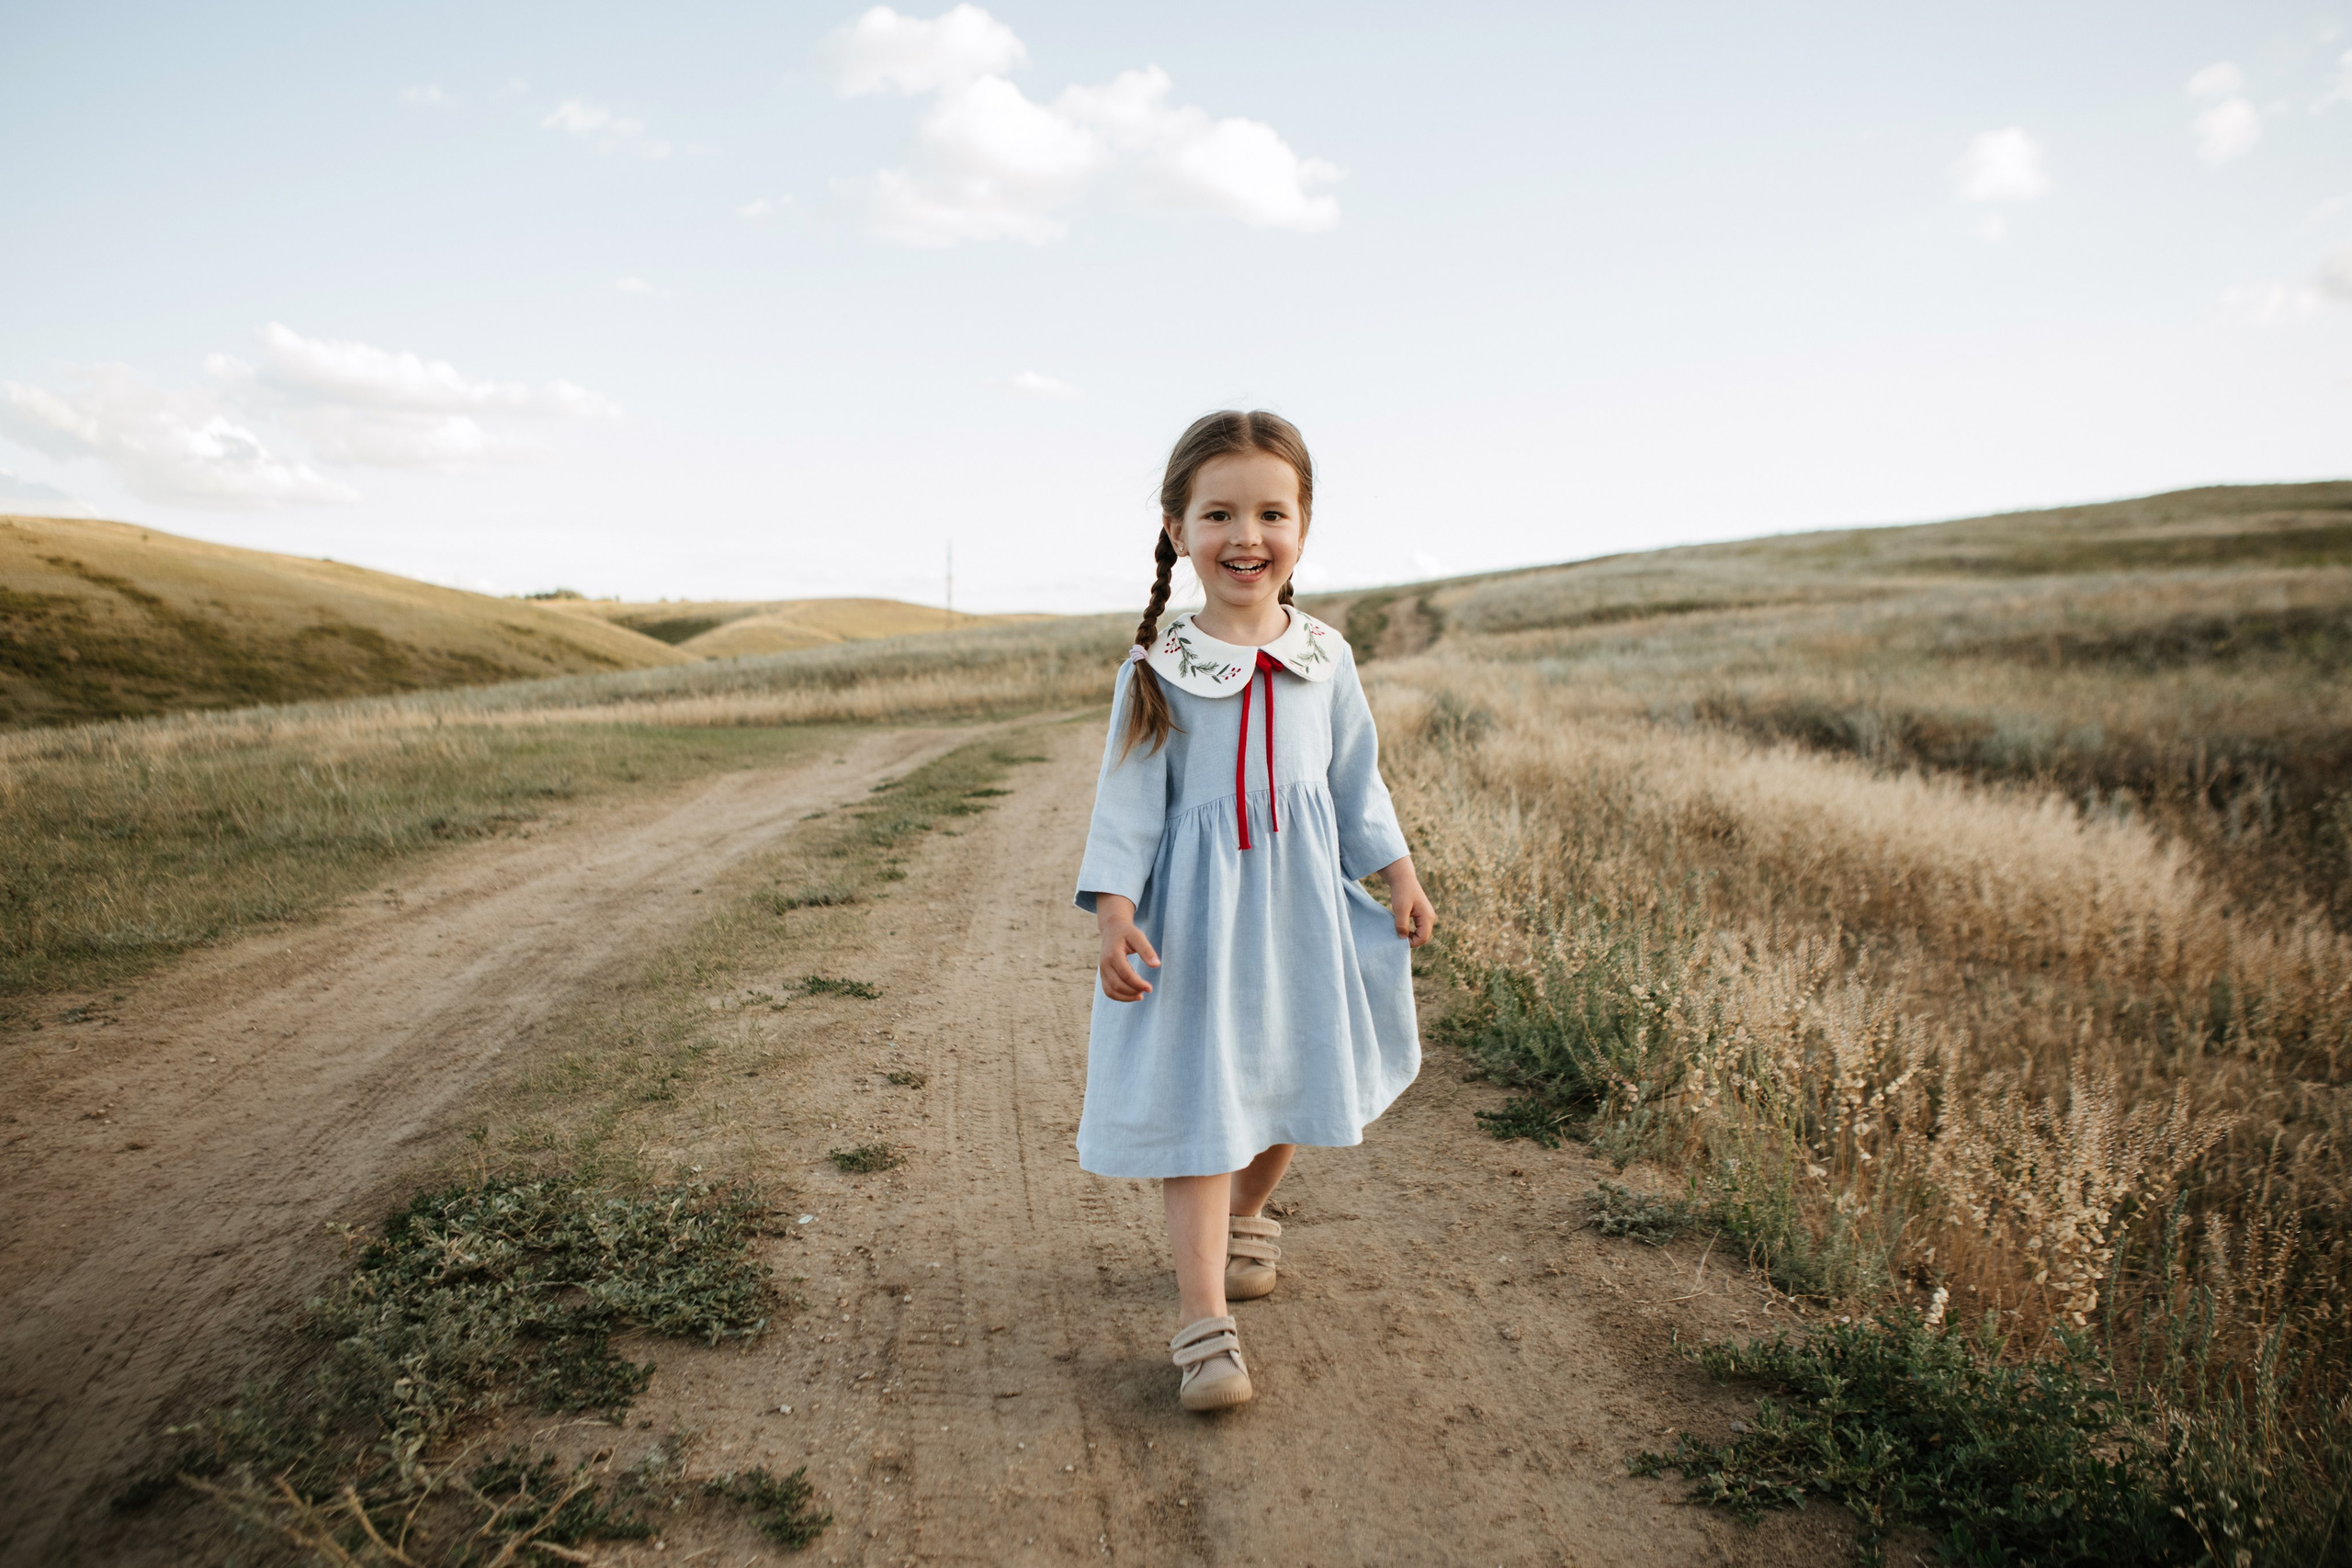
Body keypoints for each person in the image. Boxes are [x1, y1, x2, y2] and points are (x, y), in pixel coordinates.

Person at [1073, 410, 1437, 1413]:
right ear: (1176, 529)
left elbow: (1358, 785)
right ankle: (1203, 1330)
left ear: (1303, 527)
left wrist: (1397, 874)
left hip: (1301, 915)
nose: (1246, 536)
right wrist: (1115, 916)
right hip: (1192, 929)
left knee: (1290, 1081)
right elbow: (1125, 808)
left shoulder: (1326, 655)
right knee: (1203, 1112)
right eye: (1219, 513)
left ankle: (1243, 1221)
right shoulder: (1157, 669)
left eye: (1270, 513)